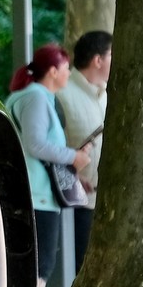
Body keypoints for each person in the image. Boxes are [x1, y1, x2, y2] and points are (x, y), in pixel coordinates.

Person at [6, 44, 88, 287]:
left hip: (32, 193)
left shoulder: (31, 97)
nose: (69, 73)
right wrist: (73, 157)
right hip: (37, 195)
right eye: (66, 68)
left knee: (35, 262)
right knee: (41, 264)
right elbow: (36, 144)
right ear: (53, 71)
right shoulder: (37, 99)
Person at [58, 30, 110, 269]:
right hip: (74, 207)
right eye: (112, 55)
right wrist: (72, 176)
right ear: (97, 60)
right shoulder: (61, 94)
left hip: (109, 204)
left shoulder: (110, 95)